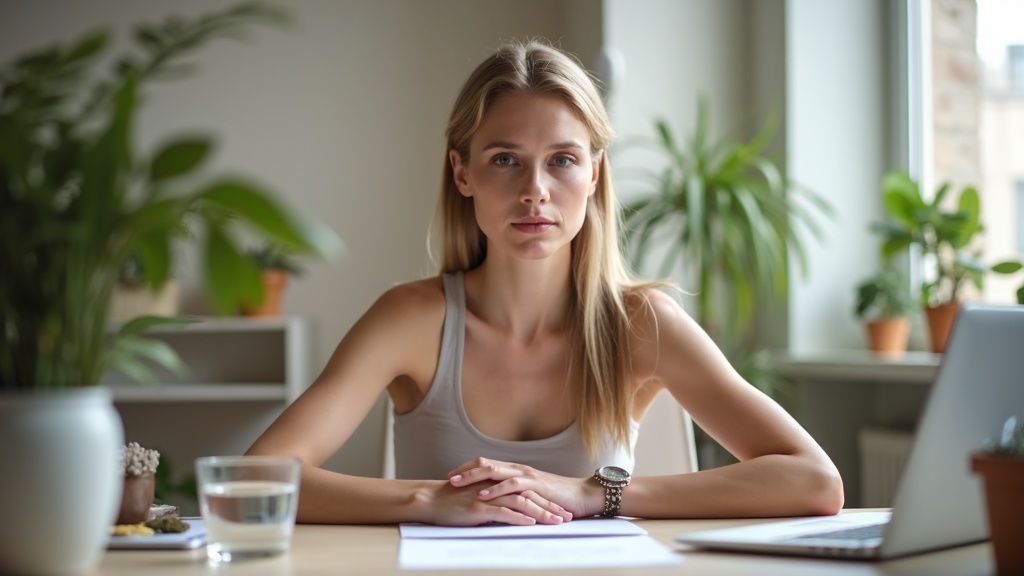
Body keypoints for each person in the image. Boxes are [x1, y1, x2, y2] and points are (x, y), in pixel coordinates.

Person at [245, 39, 844, 526]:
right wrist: (426, 500)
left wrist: (592, 494)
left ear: (593, 173)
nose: (535, 189)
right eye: (506, 158)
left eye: (562, 159)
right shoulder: (411, 319)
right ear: (463, 172)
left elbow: (814, 480)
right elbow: (254, 477)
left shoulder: (642, 324)